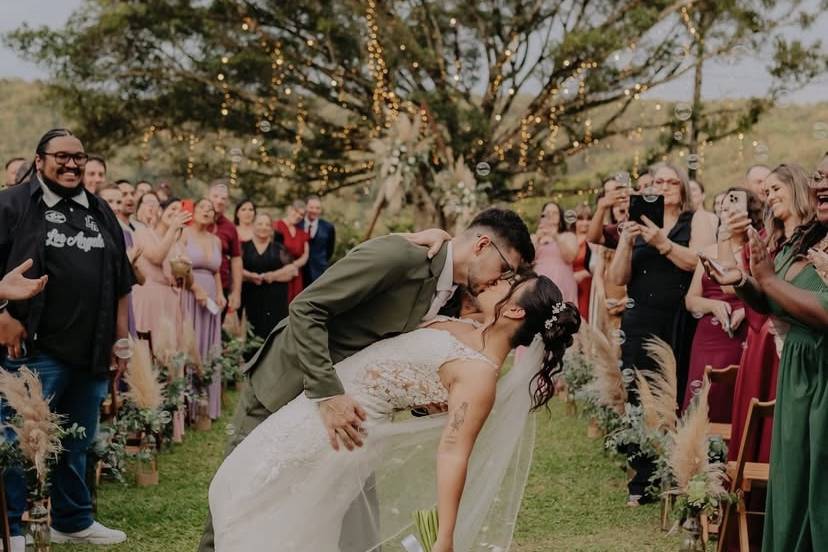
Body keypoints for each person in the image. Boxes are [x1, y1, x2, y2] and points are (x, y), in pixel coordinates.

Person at [198, 208, 535, 552]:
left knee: (355, 528)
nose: (502, 281)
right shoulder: (400, 257)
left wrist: (423, 399)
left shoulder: (448, 295)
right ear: (481, 245)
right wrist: (328, 396)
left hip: (356, 411)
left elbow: (397, 354)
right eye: (505, 268)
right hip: (290, 383)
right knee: (237, 504)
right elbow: (306, 308)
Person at [0, 129, 131, 548]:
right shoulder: (12, 204)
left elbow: (121, 279)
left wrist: (121, 339)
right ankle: (10, 529)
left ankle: (72, 520)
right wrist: (1, 315)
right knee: (19, 439)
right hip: (33, 350)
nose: (72, 164)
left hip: (90, 349)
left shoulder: (98, 209)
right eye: (62, 156)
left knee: (77, 439)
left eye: (79, 157)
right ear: (39, 161)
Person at [703, 158, 828, 552]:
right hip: (797, 370)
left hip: (822, 366)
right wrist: (741, 280)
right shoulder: (803, 241)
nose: (821, 181)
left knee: (819, 484)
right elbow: (774, 303)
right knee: (793, 479)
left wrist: (769, 278)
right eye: (819, 174)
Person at [608, 161, 715, 505]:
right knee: (639, 394)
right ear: (649, 188)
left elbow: (697, 262)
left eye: (672, 182)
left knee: (677, 390)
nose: (665, 186)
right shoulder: (638, 223)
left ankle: (676, 470)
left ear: (682, 188)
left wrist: (661, 242)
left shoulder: (693, 221)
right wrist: (627, 242)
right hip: (640, 319)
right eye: (658, 181)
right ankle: (642, 478)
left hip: (677, 319)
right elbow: (618, 277)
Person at [726, 164, 815, 467]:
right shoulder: (767, 240)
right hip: (766, 339)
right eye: (766, 193)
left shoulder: (818, 237)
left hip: (803, 345)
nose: (770, 197)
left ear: (798, 188)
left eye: (776, 189)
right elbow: (761, 295)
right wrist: (738, 279)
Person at [681, 187, 762, 421]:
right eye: (723, 208)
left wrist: (743, 311)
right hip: (707, 337)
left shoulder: (755, 250)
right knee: (701, 399)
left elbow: (749, 290)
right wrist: (712, 306)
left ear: (749, 213)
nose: (727, 212)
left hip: (740, 335)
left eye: (734, 207)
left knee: (731, 398)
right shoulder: (708, 251)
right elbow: (690, 299)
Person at [177, 198, 225, 419]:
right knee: (191, 342)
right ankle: (188, 407)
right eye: (203, 207)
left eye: (211, 209)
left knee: (209, 348)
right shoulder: (184, 234)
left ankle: (206, 404)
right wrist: (195, 288)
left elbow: (216, 272)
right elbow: (179, 266)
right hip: (190, 294)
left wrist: (221, 293)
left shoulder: (216, 240)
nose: (207, 211)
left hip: (211, 301)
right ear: (193, 211)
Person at [131, 197, 192, 340]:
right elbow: (156, 257)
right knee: (146, 347)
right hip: (148, 297)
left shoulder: (178, 244)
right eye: (173, 209)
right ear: (160, 211)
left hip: (171, 301)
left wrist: (186, 270)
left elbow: (189, 284)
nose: (177, 213)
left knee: (168, 351)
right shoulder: (142, 233)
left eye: (180, 211)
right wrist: (173, 228)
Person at [241, 213, 298, 339]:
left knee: (274, 333)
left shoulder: (279, 249)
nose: (264, 227)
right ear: (253, 226)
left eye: (267, 224)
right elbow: (235, 269)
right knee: (252, 332)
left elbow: (293, 270)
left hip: (275, 297)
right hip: (251, 296)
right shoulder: (243, 247)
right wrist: (250, 276)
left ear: (271, 229)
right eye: (260, 224)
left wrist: (272, 275)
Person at [531, 201, 578, 304]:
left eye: (554, 213)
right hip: (539, 285)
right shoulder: (535, 237)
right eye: (547, 213)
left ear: (560, 217)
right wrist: (537, 238)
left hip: (562, 281)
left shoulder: (568, 236)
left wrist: (556, 236)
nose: (550, 216)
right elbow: (528, 260)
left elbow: (570, 258)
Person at [207, 180, 242, 315]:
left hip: (221, 287)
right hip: (194, 284)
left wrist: (236, 292)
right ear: (208, 197)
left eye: (224, 198)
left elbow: (236, 259)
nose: (219, 201)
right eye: (215, 196)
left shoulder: (229, 227)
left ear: (227, 203)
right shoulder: (193, 221)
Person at [274, 199, 310, 303]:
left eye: (301, 215)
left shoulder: (301, 233)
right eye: (296, 211)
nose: (298, 216)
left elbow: (305, 255)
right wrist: (285, 270)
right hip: (279, 274)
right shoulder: (275, 226)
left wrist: (293, 266)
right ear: (289, 209)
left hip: (295, 274)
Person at [299, 195, 336, 285]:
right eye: (311, 207)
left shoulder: (328, 227)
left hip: (319, 273)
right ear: (306, 208)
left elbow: (330, 250)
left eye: (317, 208)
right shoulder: (297, 225)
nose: (314, 211)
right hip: (300, 274)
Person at [572, 203, 593, 321]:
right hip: (571, 285)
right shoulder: (568, 239)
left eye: (588, 219)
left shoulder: (593, 240)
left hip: (587, 285)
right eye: (580, 219)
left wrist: (584, 273)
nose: (585, 223)